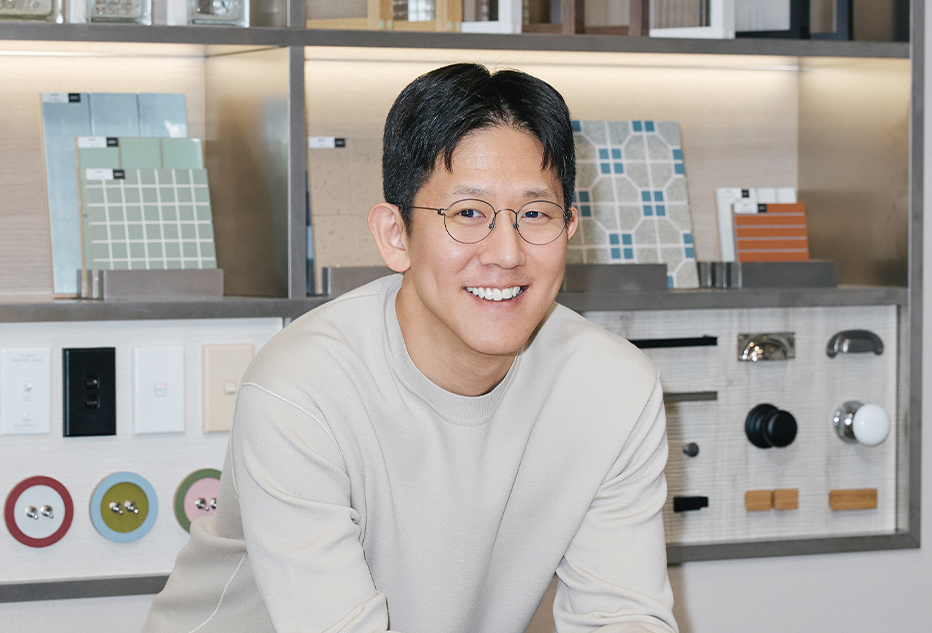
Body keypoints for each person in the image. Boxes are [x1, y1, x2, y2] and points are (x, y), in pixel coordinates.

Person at [143, 63, 677, 633]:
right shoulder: (301, 391)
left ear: (569, 228)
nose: (506, 253)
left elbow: (622, 616)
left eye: (534, 214)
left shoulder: (613, 389)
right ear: (395, 235)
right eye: (468, 213)